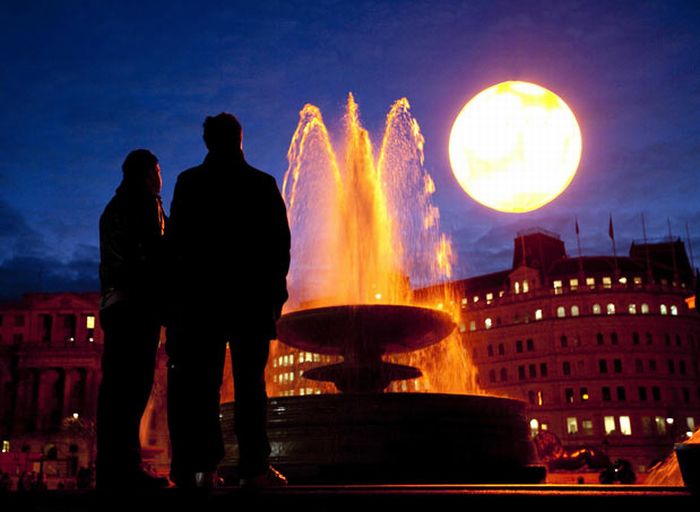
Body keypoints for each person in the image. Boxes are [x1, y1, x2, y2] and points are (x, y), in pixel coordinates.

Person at [166, 113, 290, 489]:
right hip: (249, 301)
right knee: (251, 386)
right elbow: (279, 248)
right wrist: (274, 299)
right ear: (240, 139)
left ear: (207, 143)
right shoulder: (261, 183)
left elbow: (177, 246)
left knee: (202, 388)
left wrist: (179, 302)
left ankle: (204, 467)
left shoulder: (189, 182)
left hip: (201, 302)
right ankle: (254, 468)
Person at [96, 149, 169, 490]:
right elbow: (157, 255)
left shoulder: (111, 209)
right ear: (147, 173)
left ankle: (110, 467)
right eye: (158, 170)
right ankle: (126, 469)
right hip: (139, 303)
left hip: (113, 304)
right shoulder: (145, 202)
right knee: (134, 386)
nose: (161, 178)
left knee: (114, 387)